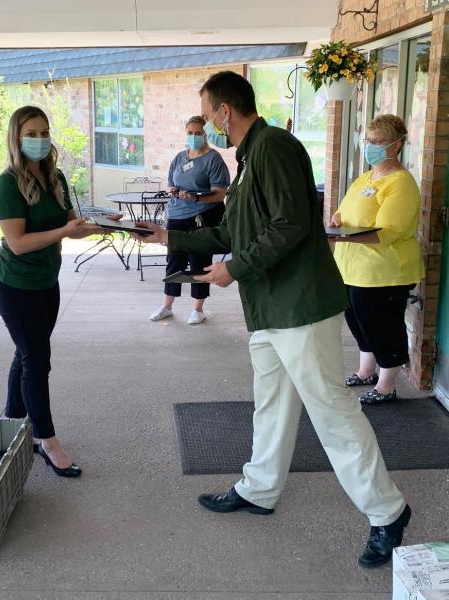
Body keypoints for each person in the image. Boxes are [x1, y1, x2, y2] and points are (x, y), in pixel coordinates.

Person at [135, 71, 410, 568]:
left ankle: (388, 512)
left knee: (332, 410)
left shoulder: (275, 146)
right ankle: (259, 488)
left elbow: (289, 225)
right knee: (272, 404)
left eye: (208, 116)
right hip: (267, 309)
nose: (205, 129)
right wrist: (166, 238)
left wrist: (233, 269)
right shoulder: (248, 156)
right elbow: (235, 231)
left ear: (224, 111)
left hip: (298, 307)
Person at [0, 106, 101, 478]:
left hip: (46, 284)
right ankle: (46, 440)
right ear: (16, 138)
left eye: (44, 132)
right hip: (14, 286)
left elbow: (69, 222)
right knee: (37, 361)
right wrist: (65, 233)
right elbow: (19, 243)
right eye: (31, 133)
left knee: (26, 355)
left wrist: (99, 224)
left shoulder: (55, 177)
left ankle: (12, 424)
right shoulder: (8, 184)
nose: (40, 140)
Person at [329, 114, 425, 404]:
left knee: (382, 324)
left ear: (397, 145)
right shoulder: (366, 177)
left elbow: (388, 231)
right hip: (352, 268)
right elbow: (344, 212)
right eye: (369, 141)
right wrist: (336, 219)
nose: (371, 147)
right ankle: (366, 371)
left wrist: (341, 236)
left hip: (383, 271)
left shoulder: (401, 183)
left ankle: (386, 385)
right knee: (359, 321)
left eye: (379, 142)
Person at [150, 115, 229, 324]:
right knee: (174, 261)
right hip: (176, 215)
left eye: (198, 133)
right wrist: (175, 191)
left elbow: (220, 193)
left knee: (199, 262)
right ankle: (167, 306)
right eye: (190, 133)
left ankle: (198, 309)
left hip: (201, 217)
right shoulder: (179, 157)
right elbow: (169, 184)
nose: (193, 137)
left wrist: (195, 196)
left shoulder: (213, 159)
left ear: (205, 135)